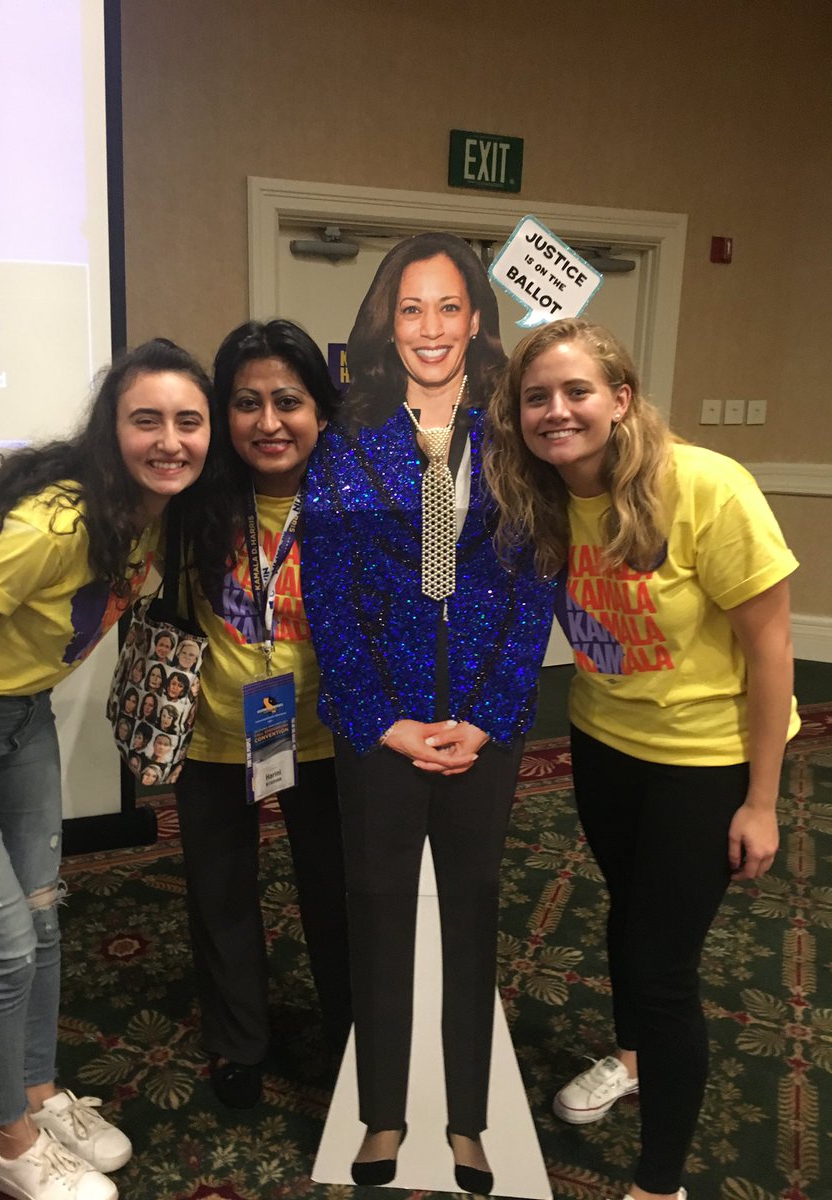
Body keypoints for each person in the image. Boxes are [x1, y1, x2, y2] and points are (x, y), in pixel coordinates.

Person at [484, 317, 799, 1200]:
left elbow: (773, 648)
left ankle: (659, 1183)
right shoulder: (541, 495)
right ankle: (629, 1060)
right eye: (536, 396)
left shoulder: (705, 486)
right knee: (629, 914)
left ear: (621, 399)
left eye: (577, 391)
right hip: (603, 742)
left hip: (705, 762)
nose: (556, 411)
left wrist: (764, 800)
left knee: (663, 967)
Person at [300, 232, 555, 1195]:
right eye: (412, 310)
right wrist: (380, 718)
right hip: (380, 732)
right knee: (378, 917)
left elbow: (534, 591)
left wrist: (488, 717)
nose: (432, 328)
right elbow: (328, 599)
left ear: (477, 319)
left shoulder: (515, 441)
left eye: (449, 307)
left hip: (484, 731)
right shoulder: (348, 445)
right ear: (386, 322)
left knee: (473, 920)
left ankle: (466, 1123)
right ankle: (383, 1115)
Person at [0, 339, 212, 1200]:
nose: (170, 440)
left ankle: (39, 1093)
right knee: (5, 949)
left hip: (22, 722)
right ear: (110, 429)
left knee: (45, 920)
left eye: (188, 422)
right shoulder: (54, 527)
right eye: (146, 420)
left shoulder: (153, 512)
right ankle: (8, 1143)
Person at [177, 319, 351, 1111]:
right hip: (214, 735)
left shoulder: (359, 503)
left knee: (337, 893)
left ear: (320, 409)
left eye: (289, 400)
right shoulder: (192, 503)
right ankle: (238, 1043)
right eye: (246, 403)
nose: (269, 422)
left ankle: (356, 1034)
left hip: (329, 736)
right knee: (220, 895)